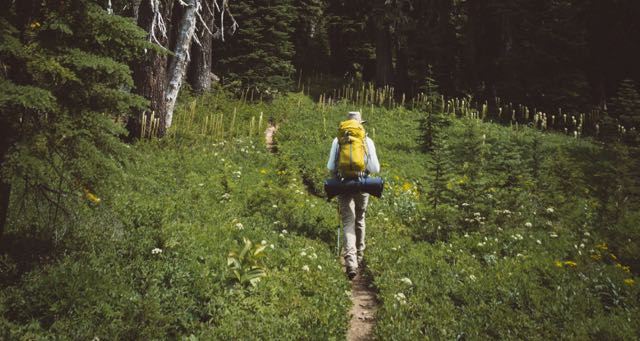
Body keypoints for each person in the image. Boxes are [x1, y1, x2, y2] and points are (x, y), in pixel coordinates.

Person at [326, 111, 380, 279]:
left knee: (348, 221)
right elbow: (375, 168)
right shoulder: (366, 140)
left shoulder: (338, 140)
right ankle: (360, 256)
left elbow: (330, 166)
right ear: (360, 124)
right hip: (363, 183)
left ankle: (350, 262)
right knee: (360, 218)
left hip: (342, 183)